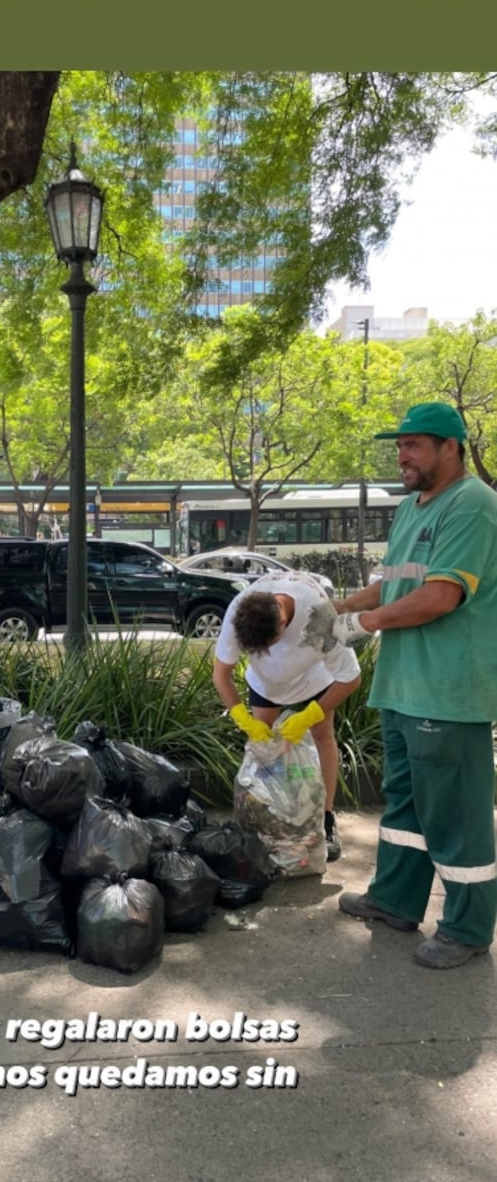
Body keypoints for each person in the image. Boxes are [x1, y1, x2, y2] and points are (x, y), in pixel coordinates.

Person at [303, 402, 497, 969]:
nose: (402, 455)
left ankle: (466, 927)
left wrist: (356, 625)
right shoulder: (413, 508)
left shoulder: (474, 507)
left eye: (413, 444)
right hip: (403, 687)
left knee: (456, 817)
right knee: (407, 807)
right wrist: (328, 610)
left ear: (450, 448)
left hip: (448, 692)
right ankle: (395, 900)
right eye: (400, 445)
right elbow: (390, 587)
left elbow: (440, 596)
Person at [213, 569, 361, 861]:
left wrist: (309, 715)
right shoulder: (240, 610)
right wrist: (242, 717)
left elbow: (351, 679)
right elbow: (221, 674)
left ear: (282, 625)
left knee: (323, 737)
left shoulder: (320, 618)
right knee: (264, 750)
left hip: (315, 680)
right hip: (266, 685)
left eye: (268, 647)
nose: (265, 653)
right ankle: (269, 821)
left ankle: (327, 821)